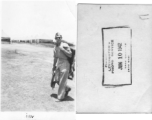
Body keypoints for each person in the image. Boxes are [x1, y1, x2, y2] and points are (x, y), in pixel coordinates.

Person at [52, 32, 72, 101]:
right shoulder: (55, 47)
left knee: (62, 80)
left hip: (65, 62)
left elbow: (70, 55)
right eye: (57, 38)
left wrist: (63, 49)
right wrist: (54, 66)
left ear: (61, 38)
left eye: (59, 37)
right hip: (59, 62)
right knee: (56, 79)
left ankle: (60, 97)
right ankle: (66, 88)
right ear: (55, 38)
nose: (58, 39)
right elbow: (55, 58)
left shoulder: (64, 45)